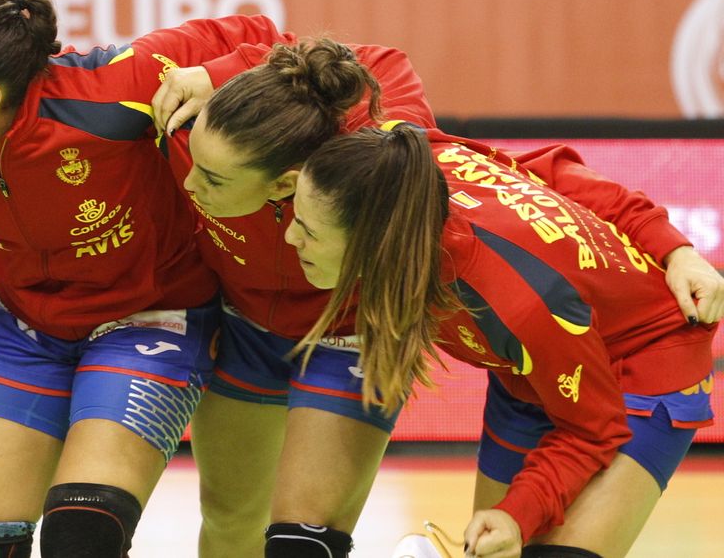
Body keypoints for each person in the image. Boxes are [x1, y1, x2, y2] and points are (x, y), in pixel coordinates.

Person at [0, 0, 287, 558]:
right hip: (21, 324)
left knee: (84, 533)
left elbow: (269, 39)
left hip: (152, 318)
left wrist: (214, 75)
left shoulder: (114, 90)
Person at [291, 123, 724, 557]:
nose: (292, 237)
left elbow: (591, 428)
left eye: (307, 231)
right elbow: (551, 171)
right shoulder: (402, 163)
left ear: (376, 242)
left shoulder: (516, 299)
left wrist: (517, 515)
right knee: (491, 551)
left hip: (641, 366)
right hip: (534, 370)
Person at [147, 35, 435, 558]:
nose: (190, 187)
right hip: (245, 330)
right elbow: (253, 32)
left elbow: (380, 59)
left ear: (285, 186)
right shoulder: (216, 126)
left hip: (350, 337)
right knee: (231, 522)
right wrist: (219, 71)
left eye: (211, 178)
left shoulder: (377, 142)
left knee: (303, 543)